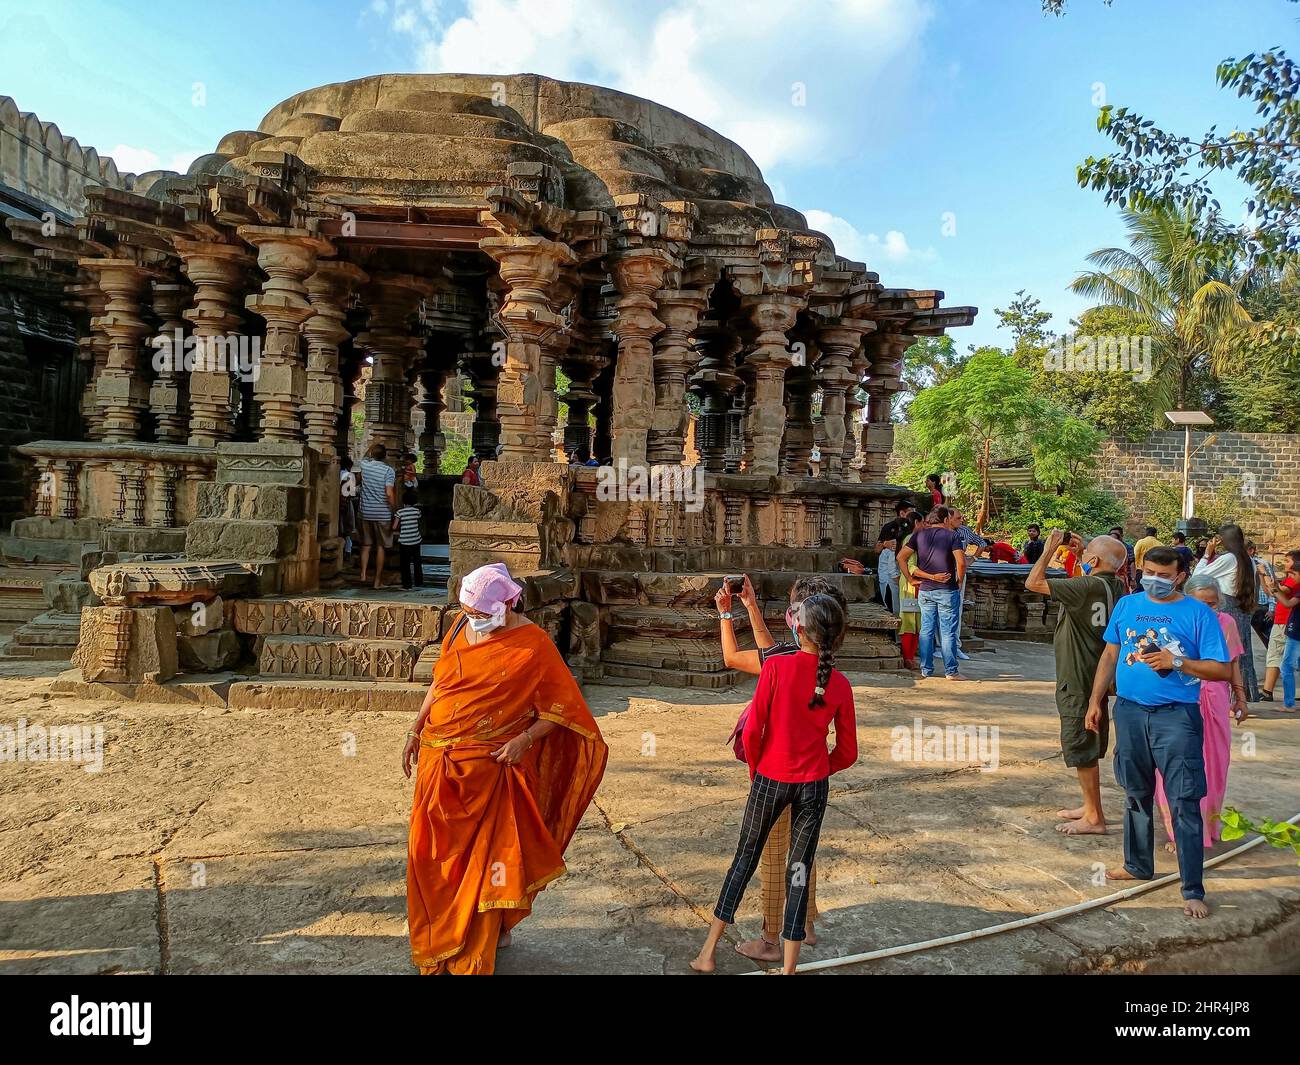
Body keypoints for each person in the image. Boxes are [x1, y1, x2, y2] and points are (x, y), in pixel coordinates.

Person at [403, 563, 607, 974]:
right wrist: (415, 728)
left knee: (489, 858)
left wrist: (525, 740)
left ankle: (487, 929)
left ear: (508, 604)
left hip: (492, 770)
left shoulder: (533, 645)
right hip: (438, 764)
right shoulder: (462, 628)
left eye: (480, 614)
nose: (473, 620)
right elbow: (441, 683)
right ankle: (439, 930)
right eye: (469, 613)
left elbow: (564, 710)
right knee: (430, 854)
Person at [692, 593, 857, 974]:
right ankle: (788, 969)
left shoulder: (777, 669)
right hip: (812, 785)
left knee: (743, 860)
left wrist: (757, 768)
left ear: (799, 628)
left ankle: (708, 953)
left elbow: (753, 730)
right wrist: (817, 768)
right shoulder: (840, 683)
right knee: (798, 869)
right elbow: (847, 752)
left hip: (770, 777)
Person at [1085, 546, 1231, 918]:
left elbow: (1222, 670)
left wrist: (1176, 661)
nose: (1154, 579)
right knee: (1135, 793)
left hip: (1176, 718)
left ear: (1180, 575)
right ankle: (1137, 865)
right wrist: (1096, 700)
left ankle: (1192, 888)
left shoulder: (1198, 613)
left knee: (1184, 801)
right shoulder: (1127, 605)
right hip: (1130, 713)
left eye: (1164, 575)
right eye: (1148, 572)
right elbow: (1110, 655)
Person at [1025, 530, 1127, 836]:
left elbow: (1032, 582)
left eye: (1086, 556)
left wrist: (1049, 550)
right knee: (1090, 742)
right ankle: (1089, 804)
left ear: (1093, 561)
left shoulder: (1084, 586)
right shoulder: (1115, 585)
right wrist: (1084, 554)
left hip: (1078, 675)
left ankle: (1094, 815)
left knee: (1081, 743)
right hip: (1100, 673)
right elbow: (1086, 584)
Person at [1153, 575, 1248, 853]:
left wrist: (1240, 696)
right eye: (1201, 603)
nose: (1208, 609)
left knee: (1214, 765)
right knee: (1175, 764)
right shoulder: (1172, 621)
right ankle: (1178, 830)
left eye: (1213, 603)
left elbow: (1232, 663)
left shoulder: (1225, 623)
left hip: (1215, 700)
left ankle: (1207, 826)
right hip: (1179, 698)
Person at [897, 506, 967, 680]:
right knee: (947, 631)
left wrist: (911, 579)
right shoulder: (952, 536)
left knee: (926, 629)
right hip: (946, 589)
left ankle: (926, 669)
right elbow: (961, 563)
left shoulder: (919, 535)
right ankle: (951, 671)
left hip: (926, 590)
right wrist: (959, 580)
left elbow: (901, 557)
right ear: (945, 520)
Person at [1193, 523, 1259, 702]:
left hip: (1228, 606)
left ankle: (1230, 697)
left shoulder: (1229, 558)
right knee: (1241, 652)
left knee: (1226, 653)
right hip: (1242, 608)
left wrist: (1207, 554)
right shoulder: (1248, 559)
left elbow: (1198, 577)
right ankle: (1244, 695)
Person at [1261, 549, 1300, 705]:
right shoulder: (1292, 580)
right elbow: (1272, 592)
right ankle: (1287, 701)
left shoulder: (1293, 583)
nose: (1287, 569)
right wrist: (1265, 579)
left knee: (1283, 662)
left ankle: (1278, 697)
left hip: (1289, 625)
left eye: (1288, 562)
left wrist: (1266, 576)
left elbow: (1282, 598)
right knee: (1286, 663)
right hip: (1289, 624)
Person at [358, 442, 397, 590]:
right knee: (381, 546)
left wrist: (371, 447)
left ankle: (362, 574)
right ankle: (377, 581)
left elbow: (364, 457)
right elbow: (389, 493)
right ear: (385, 456)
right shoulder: (388, 471)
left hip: (365, 511)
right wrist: (394, 510)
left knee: (366, 545)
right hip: (382, 513)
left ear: (371, 454)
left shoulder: (365, 466)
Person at [1246, 541, 1276, 650]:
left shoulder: (1262, 564)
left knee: (1269, 637)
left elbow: (1272, 587)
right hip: (1249, 607)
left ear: (1251, 550)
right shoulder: (1241, 565)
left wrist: (1272, 609)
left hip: (1263, 605)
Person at [392, 489, 424, 590]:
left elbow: (394, 526)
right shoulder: (417, 511)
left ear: (403, 501)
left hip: (404, 541)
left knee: (405, 564)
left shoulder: (399, 513)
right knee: (417, 562)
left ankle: (407, 585)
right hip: (416, 540)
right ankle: (419, 582)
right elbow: (419, 520)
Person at [339, 457, 358, 562]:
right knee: (348, 528)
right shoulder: (349, 475)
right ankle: (347, 550)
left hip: (334, 503)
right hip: (346, 503)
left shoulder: (335, 472)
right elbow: (350, 493)